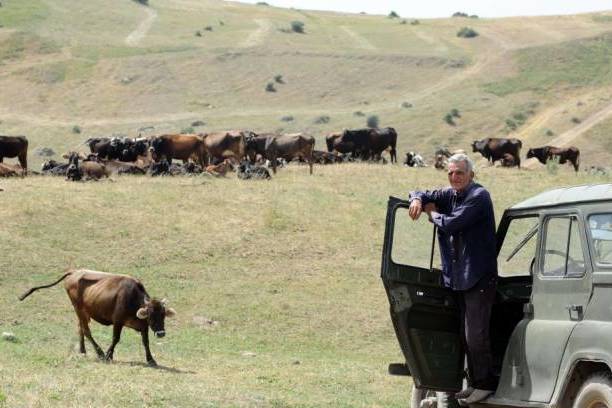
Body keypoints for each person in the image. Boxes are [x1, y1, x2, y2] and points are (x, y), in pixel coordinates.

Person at [408, 153, 498, 404]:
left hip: (478, 278)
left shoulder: (479, 196)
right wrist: (417, 199)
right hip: (458, 279)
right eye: (450, 172)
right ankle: (474, 383)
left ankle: (486, 384)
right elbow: (419, 191)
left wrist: (432, 214)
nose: (454, 177)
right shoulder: (451, 194)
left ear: (471, 174)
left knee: (475, 335)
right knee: (462, 334)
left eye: (459, 172)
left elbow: (453, 224)